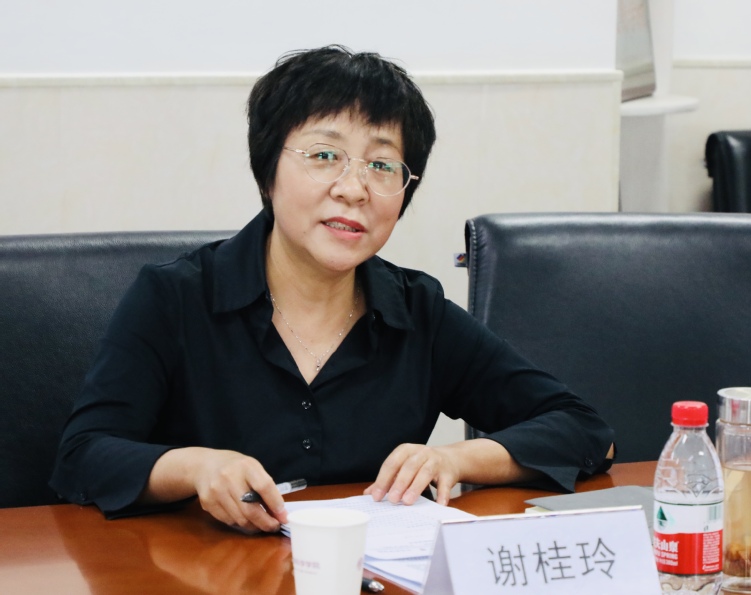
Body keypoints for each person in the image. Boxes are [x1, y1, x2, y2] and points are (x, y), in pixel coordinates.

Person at [50, 45, 615, 534]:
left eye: (382, 166)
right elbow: (83, 456)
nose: (354, 189)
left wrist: (456, 459)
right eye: (324, 156)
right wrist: (196, 468)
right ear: (268, 171)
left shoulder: (417, 312)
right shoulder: (175, 297)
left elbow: (586, 431)